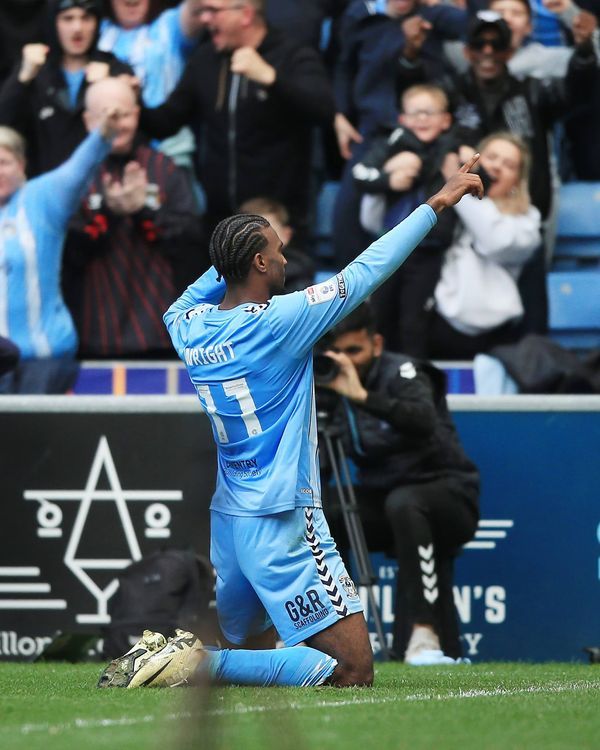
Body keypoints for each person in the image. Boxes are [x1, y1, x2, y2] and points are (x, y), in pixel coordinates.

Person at [98, 155, 483, 689]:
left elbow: (193, 295)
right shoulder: (283, 321)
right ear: (258, 263)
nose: (285, 258)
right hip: (282, 515)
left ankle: (183, 656)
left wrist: (230, 253)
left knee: (252, 642)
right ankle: (192, 661)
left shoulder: (187, 326)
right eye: (276, 250)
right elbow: (367, 270)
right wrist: (436, 204)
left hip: (229, 519)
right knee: (352, 671)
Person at [318, 302, 479, 664]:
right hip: (388, 501)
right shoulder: (328, 385)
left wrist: (361, 396)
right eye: (338, 353)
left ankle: (426, 635)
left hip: (448, 495)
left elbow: (423, 419)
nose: (347, 362)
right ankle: (331, 635)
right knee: (326, 511)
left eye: (355, 351)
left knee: (405, 503)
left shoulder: (403, 372)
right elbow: (327, 464)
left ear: (376, 344)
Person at [139, 0, 336, 241]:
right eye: (203, 11)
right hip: (220, 224)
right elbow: (165, 123)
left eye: (214, 11)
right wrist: (132, 101)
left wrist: (272, 79)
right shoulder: (205, 59)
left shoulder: (292, 54)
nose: (205, 19)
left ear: (245, 14)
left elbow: (324, 111)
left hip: (279, 225)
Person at [62, 77, 203, 358]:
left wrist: (143, 213)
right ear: (88, 120)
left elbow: (191, 243)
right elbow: (66, 254)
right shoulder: (73, 175)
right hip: (92, 336)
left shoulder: (165, 168)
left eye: (124, 114)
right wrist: (108, 215)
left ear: (137, 114)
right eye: (107, 116)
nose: (117, 124)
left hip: (159, 335)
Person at [331, 0, 469, 266]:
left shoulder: (434, 16)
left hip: (424, 132)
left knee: (431, 213)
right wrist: (339, 114)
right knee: (346, 215)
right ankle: (353, 299)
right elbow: (343, 67)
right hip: (372, 129)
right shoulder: (360, 17)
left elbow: (475, 27)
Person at [0, 107, 120, 395]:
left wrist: (102, 134)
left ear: (22, 164)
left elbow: (78, 170)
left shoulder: (42, 197)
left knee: (35, 440)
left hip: (42, 361)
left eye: (3, 162)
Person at [352, 83, 464, 355]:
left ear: (446, 120)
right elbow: (360, 174)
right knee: (380, 314)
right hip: (390, 245)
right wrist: (389, 178)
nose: (422, 119)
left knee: (415, 322)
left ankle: (413, 381)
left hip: (430, 249)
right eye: (414, 113)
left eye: (429, 112)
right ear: (402, 119)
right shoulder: (393, 143)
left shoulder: (454, 150)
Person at [429, 132, 541, 359]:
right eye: (491, 157)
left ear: (518, 181)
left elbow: (496, 241)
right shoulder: (450, 205)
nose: (497, 167)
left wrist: (454, 183)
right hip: (440, 326)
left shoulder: (528, 218)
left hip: (500, 339)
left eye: (509, 165)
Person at [0, 0, 133, 177]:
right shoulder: (36, 70)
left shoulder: (115, 69)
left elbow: (134, 133)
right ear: (53, 22)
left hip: (100, 187)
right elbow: (4, 125)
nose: (77, 27)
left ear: (97, 23)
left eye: (86, 18)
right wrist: (21, 79)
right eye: (68, 18)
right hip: (44, 186)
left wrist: (109, 89)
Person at [237, 197, 315, 292]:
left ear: (287, 234)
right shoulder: (226, 277)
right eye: (251, 233)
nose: (258, 240)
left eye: (270, 232)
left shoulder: (298, 283)